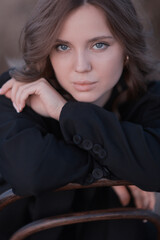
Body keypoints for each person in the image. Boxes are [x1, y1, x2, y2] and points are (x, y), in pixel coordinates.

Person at [0, 0, 159, 239]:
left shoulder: (148, 97)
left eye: (99, 45)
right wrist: (122, 165)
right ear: (47, 51)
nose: (81, 66)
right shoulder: (15, 93)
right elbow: (31, 172)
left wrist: (64, 111)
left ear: (126, 48)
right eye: (63, 47)